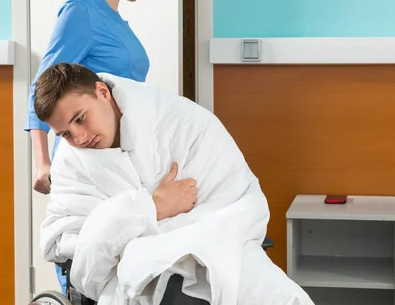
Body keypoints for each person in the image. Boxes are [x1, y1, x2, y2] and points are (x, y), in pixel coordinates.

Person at [34, 63, 314, 305]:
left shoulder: (178, 118)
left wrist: (147, 229)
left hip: (212, 236)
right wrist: (151, 208)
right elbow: (66, 240)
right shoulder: (70, 162)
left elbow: (231, 196)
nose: (79, 138)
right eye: (66, 134)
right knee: (169, 279)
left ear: (102, 92)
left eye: (80, 119)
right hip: (133, 270)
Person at [24, 0, 159, 294]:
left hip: (116, 152)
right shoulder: (81, 13)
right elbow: (41, 87)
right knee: (90, 253)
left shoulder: (114, 18)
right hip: (84, 154)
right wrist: (42, 162)